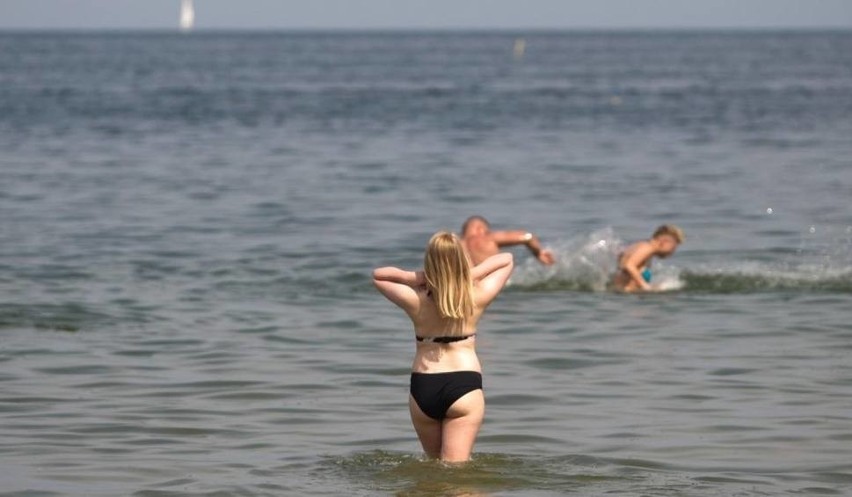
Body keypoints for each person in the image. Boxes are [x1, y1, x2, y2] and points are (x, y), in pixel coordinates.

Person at [372, 231, 514, 462]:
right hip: (463, 385)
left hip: (424, 387)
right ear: (462, 258)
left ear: (430, 262)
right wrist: (467, 275)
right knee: (456, 478)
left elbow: (379, 276)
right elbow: (506, 259)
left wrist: (417, 278)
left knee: (434, 471)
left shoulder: (416, 299)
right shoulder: (477, 295)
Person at [612, 224, 685, 292]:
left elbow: (622, 257)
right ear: (664, 241)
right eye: (674, 246)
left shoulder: (642, 246)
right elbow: (629, 265)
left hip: (624, 293)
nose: (673, 251)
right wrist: (645, 286)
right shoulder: (648, 248)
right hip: (628, 296)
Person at [460, 215, 555, 266]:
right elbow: (528, 237)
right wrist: (538, 253)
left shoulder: (455, 243)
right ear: (481, 229)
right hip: (490, 284)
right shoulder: (489, 238)